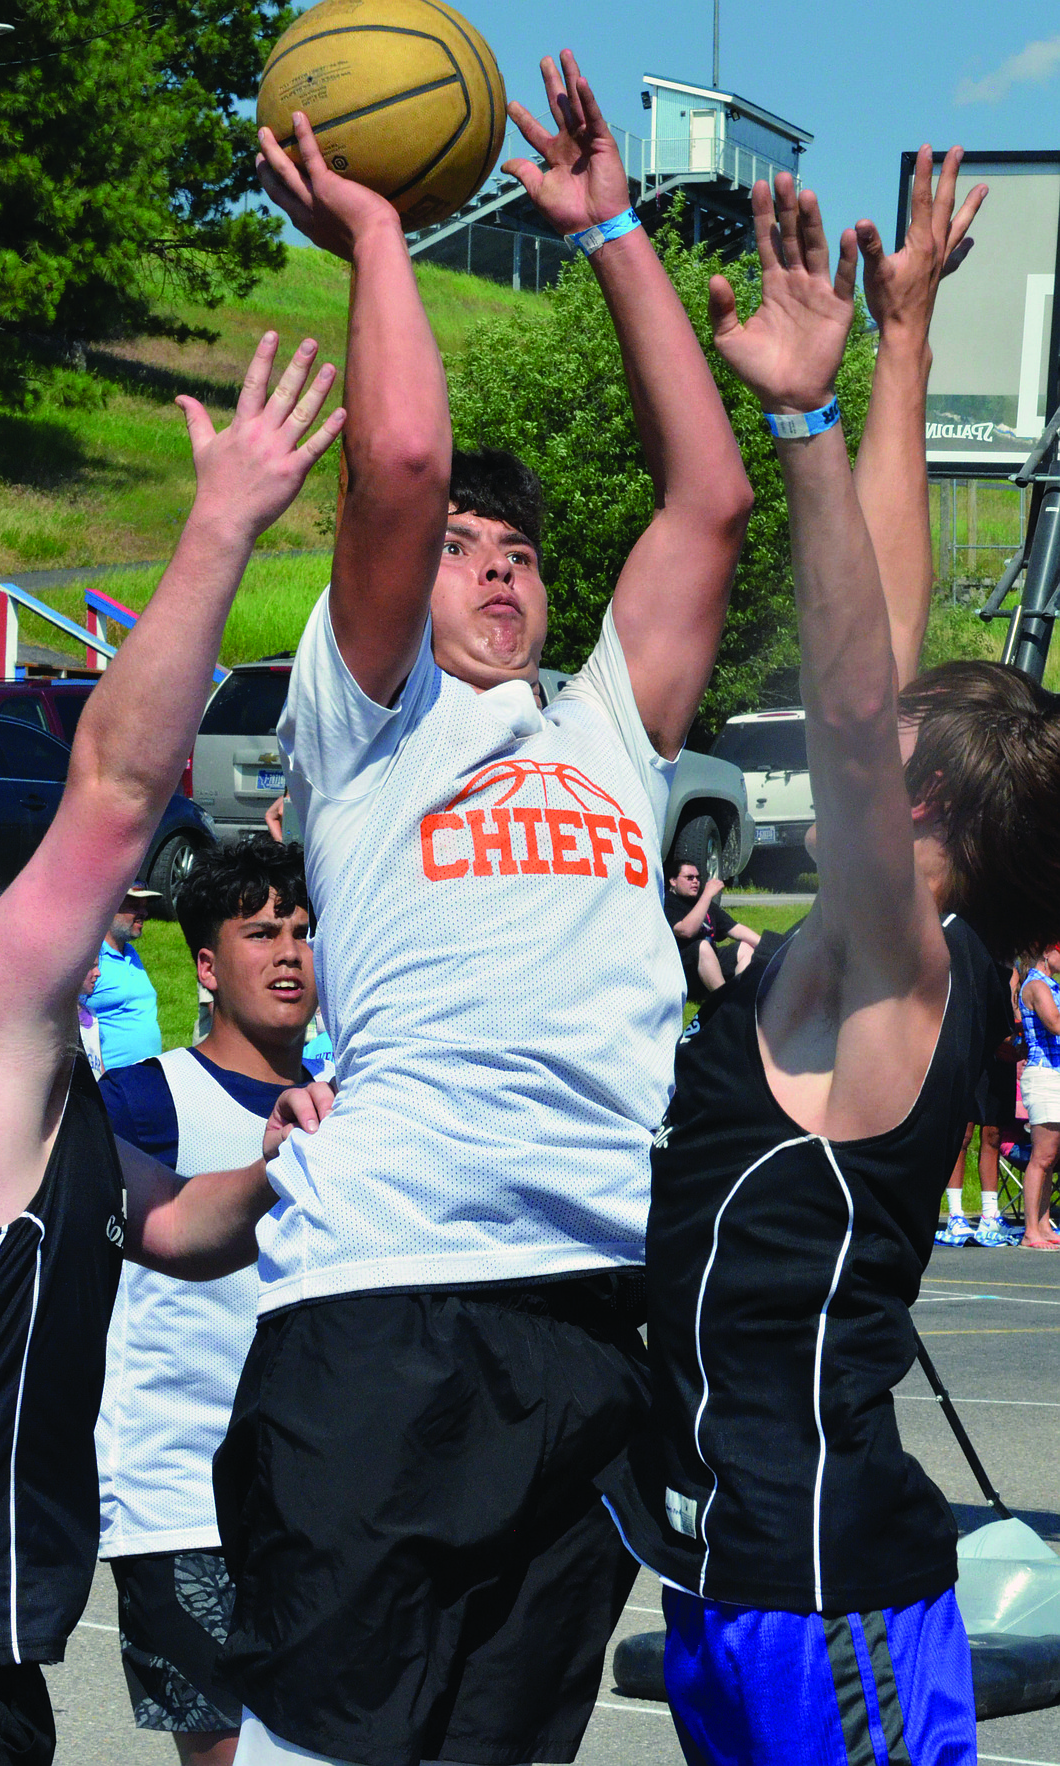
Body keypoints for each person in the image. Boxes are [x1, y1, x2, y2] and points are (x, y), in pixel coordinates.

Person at [216, 48, 753, 1766]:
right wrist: (380, 232)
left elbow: (711, 500)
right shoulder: (361, 719)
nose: (495, 562)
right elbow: (397, 459)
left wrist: (611, 231)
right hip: (387, 1297)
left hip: (593, 1305)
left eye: (515, 547)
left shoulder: (601, 732)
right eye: (459, 547)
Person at [600, 149, 1060, 1763]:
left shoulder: (916, 966)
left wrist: (802, 416)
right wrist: (906, 337)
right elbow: (885, 611)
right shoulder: (890, 945)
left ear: (919, 797)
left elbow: (862, 703)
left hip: (826, 1599)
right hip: (748, 1580)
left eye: (887, 739)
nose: (848, 701)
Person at [0, 331, 346, 1766]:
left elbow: (167, 1225)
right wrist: (220, 527)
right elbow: (114, 785)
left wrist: (279, 1170)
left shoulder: (24, 1100)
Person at [95, 837, 319, 1765]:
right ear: (204, 964)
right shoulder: (143, 1102)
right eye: (260, 931)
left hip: (317, 1497)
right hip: (179, 1496)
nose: (289, 953)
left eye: (305, 931)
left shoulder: (353, 1104)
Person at [937, 973, 1022, 1248]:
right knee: (963, 1134)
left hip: (999, 1060)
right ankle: (956, 1215)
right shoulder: (976, 963)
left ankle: (989, 1214)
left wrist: (1017, 1041)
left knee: (993, 1135)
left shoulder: (1013, 970)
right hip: (974, 1054)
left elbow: (1013, 1012)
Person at [664, 860, 760, 998]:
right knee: (702, 946)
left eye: (697, 878)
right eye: (689, 878)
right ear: (673, 881)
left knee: (745, 947)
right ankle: (723, 1000)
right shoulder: (668, 903)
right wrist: (707, 895)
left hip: (710, 965)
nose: (695, 881)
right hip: (683, 969)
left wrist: (767, 945)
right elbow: (686, 931)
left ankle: (740, 997)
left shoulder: (702, 902)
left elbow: (735, 929)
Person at [92, 882, 163, 1068]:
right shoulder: (91, 959)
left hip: (146, 1078)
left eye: (145, 906)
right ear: (110, 908)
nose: (144, 913)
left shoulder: (131, 953)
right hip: (109, 1086)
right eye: (135, 906)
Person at [1017, 942, 1060, 1248]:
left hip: (1055, 1075)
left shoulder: (1052, 986)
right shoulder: (1036, 985)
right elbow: (1056, 1024)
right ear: (1048, 952)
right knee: (1041, 1156)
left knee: (1051, 1157)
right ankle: (1030, 1229)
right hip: (1043, 1075)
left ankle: (1043, 1225)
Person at [78, 957, 104, 1078]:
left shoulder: (92, 1015)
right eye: (91, 966)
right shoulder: (58, 1019)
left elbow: (100, 1068)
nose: (98, 973)